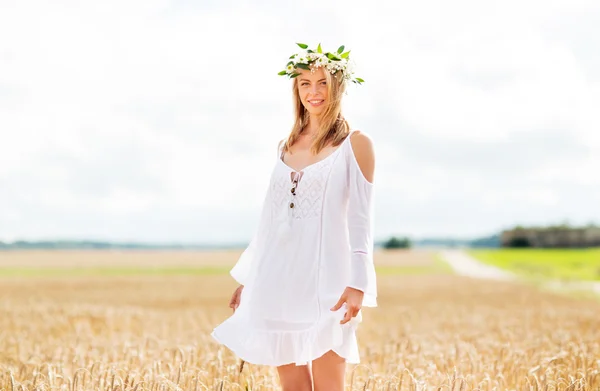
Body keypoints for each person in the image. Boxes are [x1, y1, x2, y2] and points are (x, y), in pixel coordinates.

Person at [211, 42, 377, 391]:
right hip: (279, 280)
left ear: (338, 87)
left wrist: (359, 283)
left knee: (330, 385)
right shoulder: (285, 146)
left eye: (322, 83)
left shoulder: (355, 144)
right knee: (292, 387)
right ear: (296, 89)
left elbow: (361, 220)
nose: (313, 92)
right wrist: (250, 277)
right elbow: (269, 222)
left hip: (328, 284)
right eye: (305, 84)